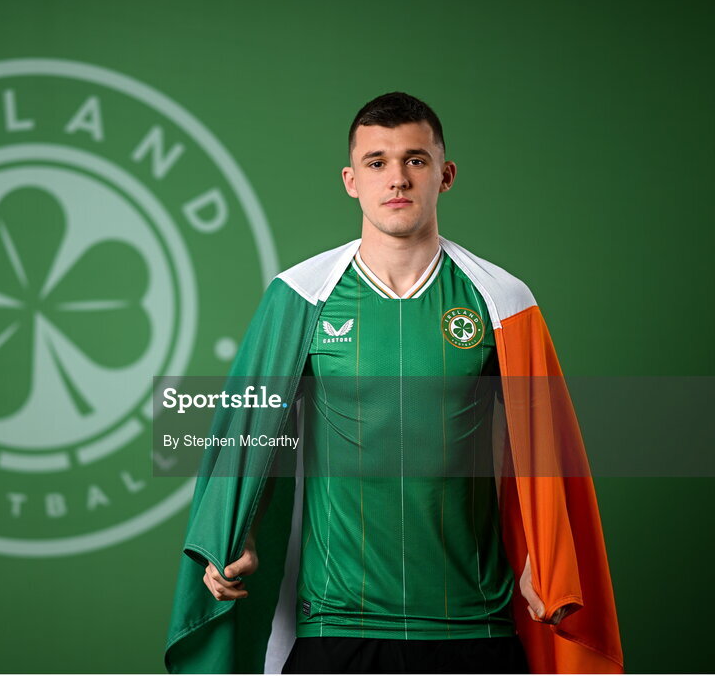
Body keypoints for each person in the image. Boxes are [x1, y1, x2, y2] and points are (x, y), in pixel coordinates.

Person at [165, 93, 623, 674]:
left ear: (445, 174)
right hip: (336, 623)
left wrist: (545, 555)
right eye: (377, 162)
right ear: (351, 180)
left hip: (473, 621)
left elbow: (545, 445)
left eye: (416, 159)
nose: (397, 178)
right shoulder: (301, 295)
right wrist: (237, 532)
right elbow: (250, 428)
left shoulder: (503, 301)